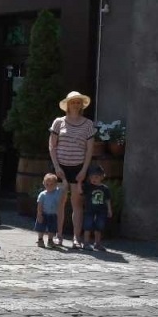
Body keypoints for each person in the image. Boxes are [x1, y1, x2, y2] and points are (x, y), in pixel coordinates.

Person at [48, 90, 97, 248]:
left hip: (78, 167)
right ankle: (59, 235)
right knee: (60, 202)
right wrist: (56, 166)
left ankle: (76, 237)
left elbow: (90, 150)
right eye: (73, 102)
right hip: (61, 167)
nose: (75, 105)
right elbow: (52, 146)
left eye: (78, 102)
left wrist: (84, 170)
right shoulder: (58, 122)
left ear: (81, 105)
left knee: (76, 203)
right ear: (67, 105)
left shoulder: (88, 124)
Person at [82, 163, 111, 252]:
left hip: (101, 210)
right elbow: (80, 191)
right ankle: (86, 243)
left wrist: (109, 209)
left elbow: (107, 200)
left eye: (96, 177)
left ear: (102, 177)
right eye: (92, 177)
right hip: (89, 210)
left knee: (99, 226)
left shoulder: (105, 188)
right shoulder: (88, 187)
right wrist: (79, 182)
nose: (94, 179)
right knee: (87, 226)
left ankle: (97, 243)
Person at [34, 173, 63, 249]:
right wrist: (39, 214)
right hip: (44, 213)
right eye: (47, 184)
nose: (49, 186)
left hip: (53, 214)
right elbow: (40, 205)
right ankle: (40, 239)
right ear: (44, 184)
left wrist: (62, 177)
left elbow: (64, 186)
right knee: (41, 227)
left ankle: (50, 240)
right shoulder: (42, 194)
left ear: (56, 185)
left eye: (51, 184)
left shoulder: (57, 192)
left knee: (52, 228)